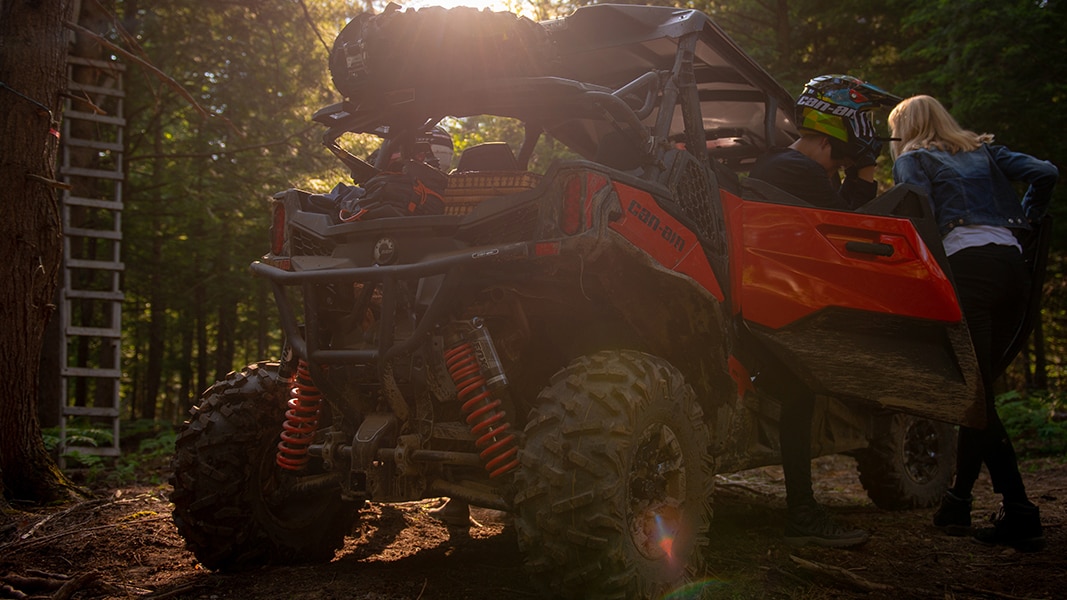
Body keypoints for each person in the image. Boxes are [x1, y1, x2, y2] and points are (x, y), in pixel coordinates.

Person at [889, 95, 1058, 552]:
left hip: (970, 272)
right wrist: (1026, 222)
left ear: (904, 127)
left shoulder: (913, 159)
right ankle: (957, 503)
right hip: (1012, 269)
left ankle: (1019, 510)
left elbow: (913, 216)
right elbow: (1046, 173)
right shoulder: (983, 150)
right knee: (979, 393)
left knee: (975, 397)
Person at [748, 74, 899, 547]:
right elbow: (852, 228)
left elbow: (836, 209)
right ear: (841, 124)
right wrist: (866, 173)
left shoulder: (779, 164)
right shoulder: (800, 171)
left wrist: (856, 173)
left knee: (799, 396)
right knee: (799, 396)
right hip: (775, 305)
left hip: (764, 297)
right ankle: (802, 515)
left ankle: (802, 511)